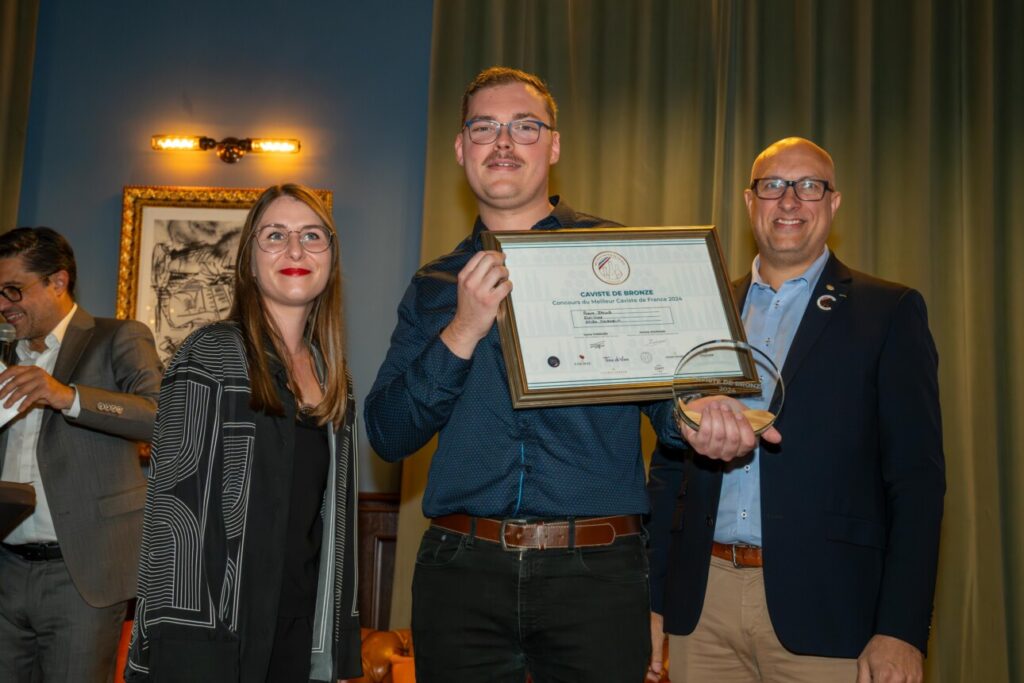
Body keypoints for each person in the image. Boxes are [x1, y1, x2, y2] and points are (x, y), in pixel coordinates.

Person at [365, 66, 691, 683]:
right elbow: (387, 433)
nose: (504, 142)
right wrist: (461, 329)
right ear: (462, 149)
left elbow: (673, 413)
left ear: (554, 145)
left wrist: (707, 416)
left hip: (598, 576)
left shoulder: (618, 259)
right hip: (460, 573)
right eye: (485, 127)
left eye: (525, 126)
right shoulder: (434, 285)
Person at [647, 137, 945, 682]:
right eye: (772, 186)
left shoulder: (889, 312)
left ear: (833, 204)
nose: (789, 201)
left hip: (829, 613)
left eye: (809, 186)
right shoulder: (703, 313)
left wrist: (901, 630)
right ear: (748, 202)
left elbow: (917, 483)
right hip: (702, 608)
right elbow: (670, 470)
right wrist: (655, 601)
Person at [126, 184, 361, 682]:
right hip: (218, 637)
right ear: (249, 263)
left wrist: (334, 648)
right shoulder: (211, 355)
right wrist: (189, 655)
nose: (295, 250)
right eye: (275, 235)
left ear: (331, 260)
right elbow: (177, 520)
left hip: (301, 630)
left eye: (311, 236)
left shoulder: (333, 377)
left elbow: (330, 529)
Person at [0, 227, 163, 682]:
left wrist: (68, 396)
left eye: (13, 290)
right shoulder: (3, 352)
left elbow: (161, 418)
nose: (2, 305)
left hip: (82, 577)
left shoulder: (118, 338)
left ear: (58, 281)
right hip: (5, 570)